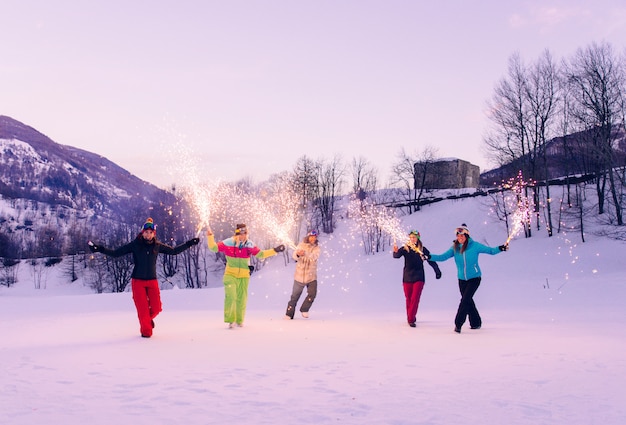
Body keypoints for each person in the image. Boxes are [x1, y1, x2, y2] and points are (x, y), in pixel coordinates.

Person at [88, 217, 200, 338]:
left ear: (153, 234)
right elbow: (116, 253)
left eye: (150, 233)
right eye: (146, 232)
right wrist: (99, 249)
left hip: (152, 281)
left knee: (157, 308)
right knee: (144, 317)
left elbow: (174, 251)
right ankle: (145, 331)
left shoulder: (157, 246)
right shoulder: (135, 245)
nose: (148, 235)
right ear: (142, 232)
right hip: (138, 282)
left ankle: (147, 320)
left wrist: (189, 243)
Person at [426, 224, 508, 333]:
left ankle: (458, 324)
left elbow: (491, 251)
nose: (460, 238)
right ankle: (476, 323)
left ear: (467, 236)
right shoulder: (454, 248)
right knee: (468, 300)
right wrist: (429, 256)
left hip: (474, 278)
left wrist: (501, 248)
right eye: (458, 236)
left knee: (464, 301)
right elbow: (443, 257)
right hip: (461, 280)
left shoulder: (475, 246)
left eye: (462, 236)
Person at [207, 224, 285, 328]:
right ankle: (231, 320)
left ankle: (239, 320)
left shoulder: (249, 244)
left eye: (245, 234)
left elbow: (261, 254)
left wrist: (275, 250)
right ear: (237, 234)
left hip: (244, 276)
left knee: (241, 299)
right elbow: (213, 247)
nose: (243, 236)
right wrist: (210, 236)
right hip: (230, 275)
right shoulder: (229, 242)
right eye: (241, 234)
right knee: (231, 296)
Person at [392, 230, 441, 328]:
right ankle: (411, 317)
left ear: (418, 238)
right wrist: (395, 251)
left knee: (415, 298)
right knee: (409, 299)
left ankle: (410, 319)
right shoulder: (405, 248)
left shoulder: (422, 249)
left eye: (414, 237)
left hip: (419, 277)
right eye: (411, 237)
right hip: (407, 277)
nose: (412, 239)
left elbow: (431, 260)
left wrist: (437, 271)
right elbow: (396, 256)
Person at [285, 230, 321, 320]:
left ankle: (304, 309)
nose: (313, 238)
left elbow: (314, 257)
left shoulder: (317, 248)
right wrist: (298, 253)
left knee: (312, 294)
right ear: (308, 237)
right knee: (294, 297)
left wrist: (305, 253)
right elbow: (294, 256)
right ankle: (289, 314)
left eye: (315, 237)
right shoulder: (301, 245)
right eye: (311, 236)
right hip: (299, 276)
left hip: (311, 276)